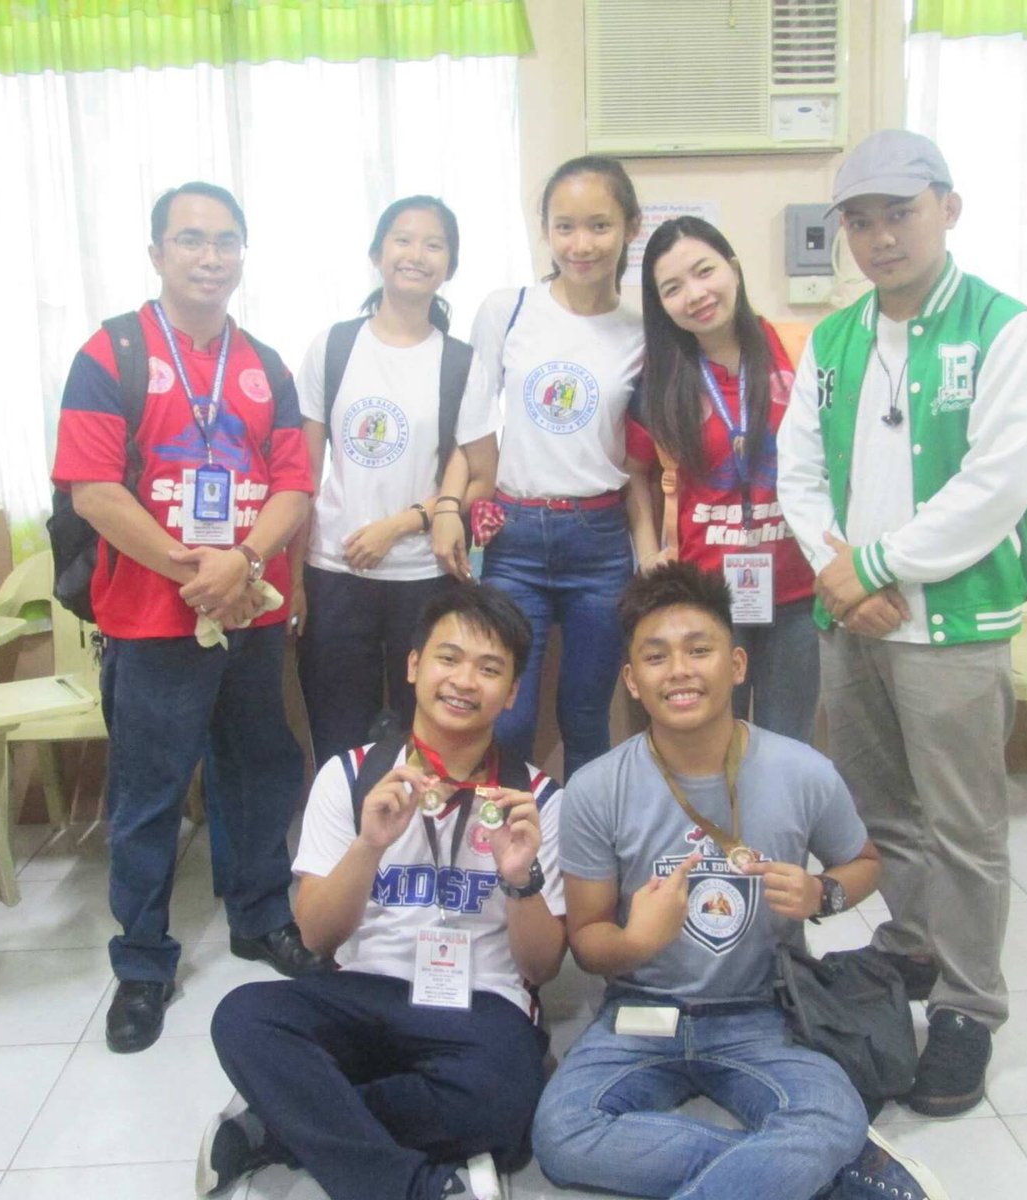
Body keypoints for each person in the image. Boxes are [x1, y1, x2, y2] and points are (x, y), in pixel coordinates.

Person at [776, 129, 1027, 1116]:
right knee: (882, 816)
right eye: (860, 217)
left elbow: (994, 486)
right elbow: (796, 470)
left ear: (948, 207)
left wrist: (875, 566)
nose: (879, 235)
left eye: (899, 211)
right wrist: (834, 570)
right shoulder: (835, 338)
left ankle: (971, 1006)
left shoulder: (1003, 330)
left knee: (965, 829)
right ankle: (907, 953)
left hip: (956, 627)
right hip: (850, 622)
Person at [530, 563, 945, 1200]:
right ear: (632, 682)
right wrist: (639, 942)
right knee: (561, 1133)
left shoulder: (802, 771)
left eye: (700, 650)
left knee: (834, 1108)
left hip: (763, 1010)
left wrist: (822, 894)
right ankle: (820, 1175)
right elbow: (587, 939)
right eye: (656, 656)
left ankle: (801, 1165)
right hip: (639, 1013)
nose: (680, 671)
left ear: (738, 665)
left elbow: (863, 860)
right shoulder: (593, 790)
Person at [52, 181, 328, 1055]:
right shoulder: (112, 351)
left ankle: (258, 915)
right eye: (191, 240)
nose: (211, 257)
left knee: (259, 771)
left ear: (243, 254)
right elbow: (93, 490)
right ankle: (141, 963)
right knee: (148, 796)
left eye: (226, 242)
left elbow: (293, 483)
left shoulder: (264, 365)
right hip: (149, 619)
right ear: (157, 253)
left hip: (246, 611)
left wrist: (241, 563)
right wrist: (192, 568)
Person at [202, 585, 567, 1200]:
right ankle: (410, 1186)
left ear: (510, 694)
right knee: (243, 1017)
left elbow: (541, 967)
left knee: (506, 1101)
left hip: (481, 1004)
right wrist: (368, 845)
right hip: (364, 993)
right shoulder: (348, 776)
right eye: (448, 658)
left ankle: (283, 1126)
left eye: (489, 668)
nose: (463, 680)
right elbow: (316, 937)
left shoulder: (536, 800)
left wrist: (518, 878)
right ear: (414, 666)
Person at [290, 195, 499, 764]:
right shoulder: (333, 347)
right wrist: (294, 580)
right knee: (338, 735)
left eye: (434, 244)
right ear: (377, 254)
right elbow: (300, 479)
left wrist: (405, 522)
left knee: (427, 736)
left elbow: (483, 475)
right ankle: (346, 847)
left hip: (426, 575)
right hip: (334, 570)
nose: (417, 254)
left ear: (450, 266)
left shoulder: (460, 363)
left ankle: (416, 849)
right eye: (403, 240)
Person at [470, 155, 651, 780]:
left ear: (630, 228)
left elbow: (638, 458)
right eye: (565, 226)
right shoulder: (508, 309)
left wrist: (650, 547)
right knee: (509, 714)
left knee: (585, 717)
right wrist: (459, 504)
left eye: (599, 226)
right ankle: (510, 858)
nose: (581, 244)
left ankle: (584, 863)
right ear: (545, 230)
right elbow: (473, 424)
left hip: (600, 544)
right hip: (514, 536)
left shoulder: (643, 329)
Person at [629, 215, 821, 742]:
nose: (695, 294)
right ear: (661, 304)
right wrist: (649, 557)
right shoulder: (661, 378)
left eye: (704, 271)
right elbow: (635, 472)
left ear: (732, 268)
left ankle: (776, 830)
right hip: (707, 597)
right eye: (672, 288)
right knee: (708, 742)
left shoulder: (800, 348)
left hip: (800, 590)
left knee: (787, 743)